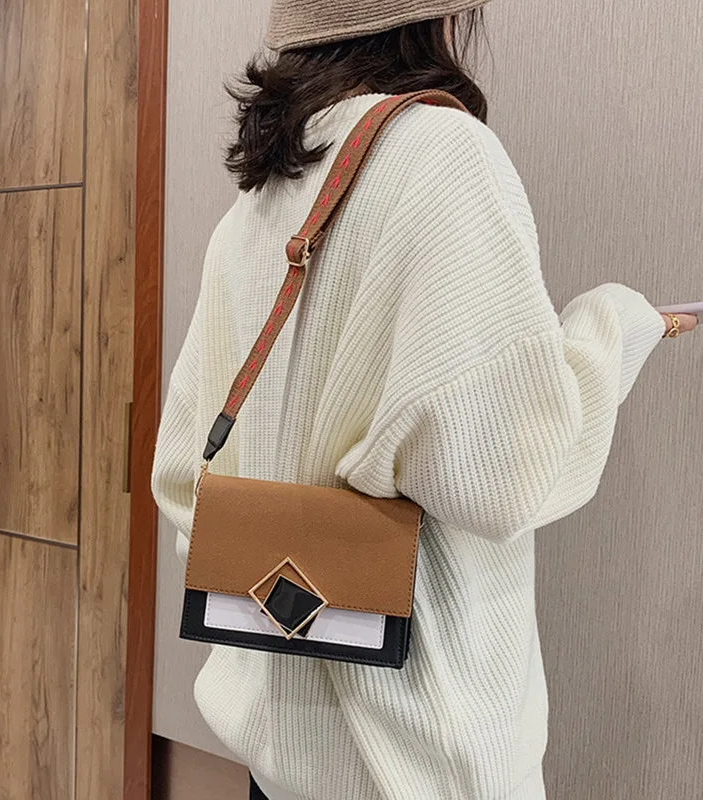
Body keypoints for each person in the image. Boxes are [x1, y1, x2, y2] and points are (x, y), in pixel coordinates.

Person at [152, 2, 698, 799]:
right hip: (409, 758)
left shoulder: (264, 194)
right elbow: (503, 472)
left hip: (278, 747)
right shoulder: (444, 154)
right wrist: (615, 325)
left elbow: (182, 467)